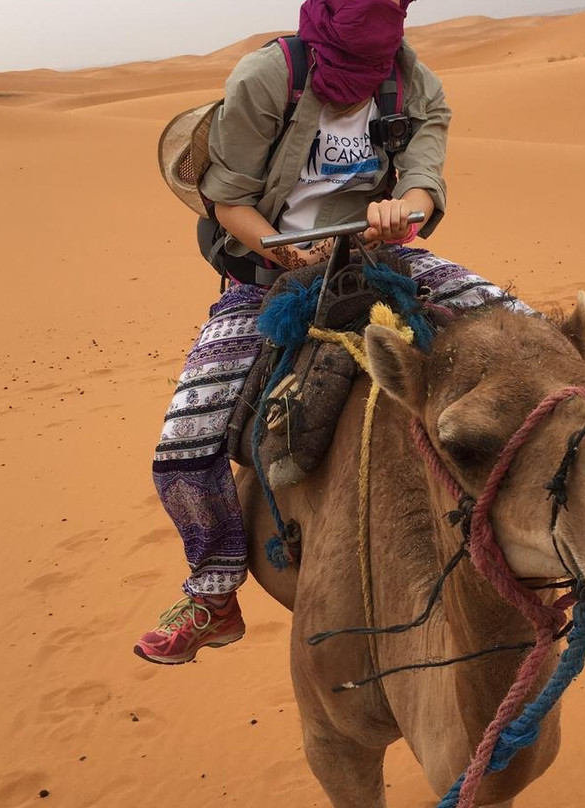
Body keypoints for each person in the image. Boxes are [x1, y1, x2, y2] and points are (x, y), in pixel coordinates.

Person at [135, 0, 526, 665]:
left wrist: (404, 211)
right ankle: (214, 592)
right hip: (266, 273)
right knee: (182, 451)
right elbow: (226, 199)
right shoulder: (269, 79)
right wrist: (287, 252)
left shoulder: (408, 81)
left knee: (527, 336)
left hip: (379, 254)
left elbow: (426, 178)